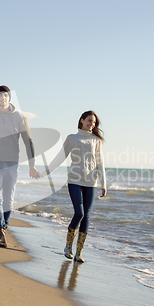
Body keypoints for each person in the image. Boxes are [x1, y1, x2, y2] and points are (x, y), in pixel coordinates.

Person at [39, 110, 106, 263]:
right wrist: (44, 173)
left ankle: (78, 253)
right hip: (74, 181)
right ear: (82, 120)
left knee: (87, 216)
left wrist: (103, 184)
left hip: (91, 183)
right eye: (89, 121)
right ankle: (68, 246)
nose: (92, 124)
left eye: (94, 122)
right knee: (79, 213)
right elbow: (59, 158)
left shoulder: (96, 140)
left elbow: (100, 162)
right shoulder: (72, 138)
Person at [0, 85, 39, 247]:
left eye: (5, 95)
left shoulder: (19, 116)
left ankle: (4, 227)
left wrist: (32, 165)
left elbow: (28, 141)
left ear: (9, 98)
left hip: (12, 162)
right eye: (0, 95)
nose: (3, 97)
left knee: (8, 198)